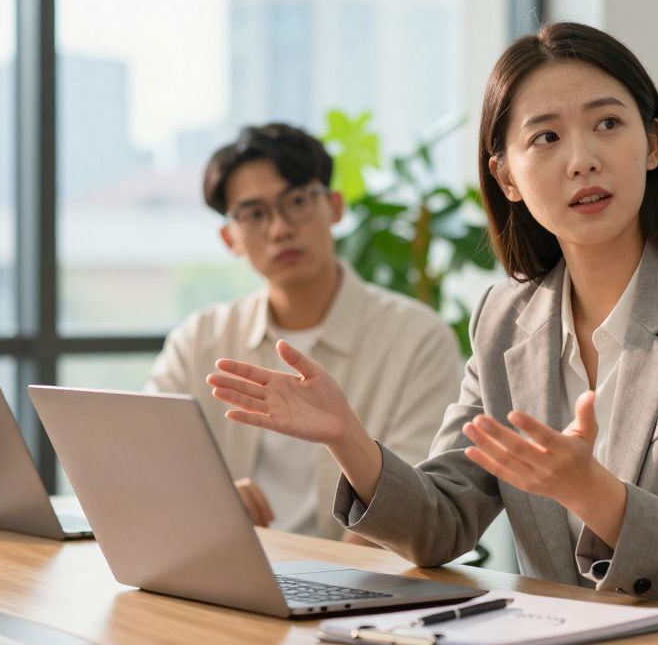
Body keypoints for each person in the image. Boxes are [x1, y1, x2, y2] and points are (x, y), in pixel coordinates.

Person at [207, 22, 658, 627]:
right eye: (546, 138)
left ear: (653, 143)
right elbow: (441, 521)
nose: (582, 160)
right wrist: (348, 439)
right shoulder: (506, 318)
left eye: (608, 124)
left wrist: (592, 492)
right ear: (507, 178)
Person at [147, 123, 462, 543]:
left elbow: (415, 509)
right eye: (255, 214)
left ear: (334, 206)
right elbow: (145, 462)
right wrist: (211, 504)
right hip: (226, 569)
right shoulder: (199, 340)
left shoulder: (417, 338)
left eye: (296, 201)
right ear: (230, 238)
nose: (280, 229)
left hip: (357, 587)